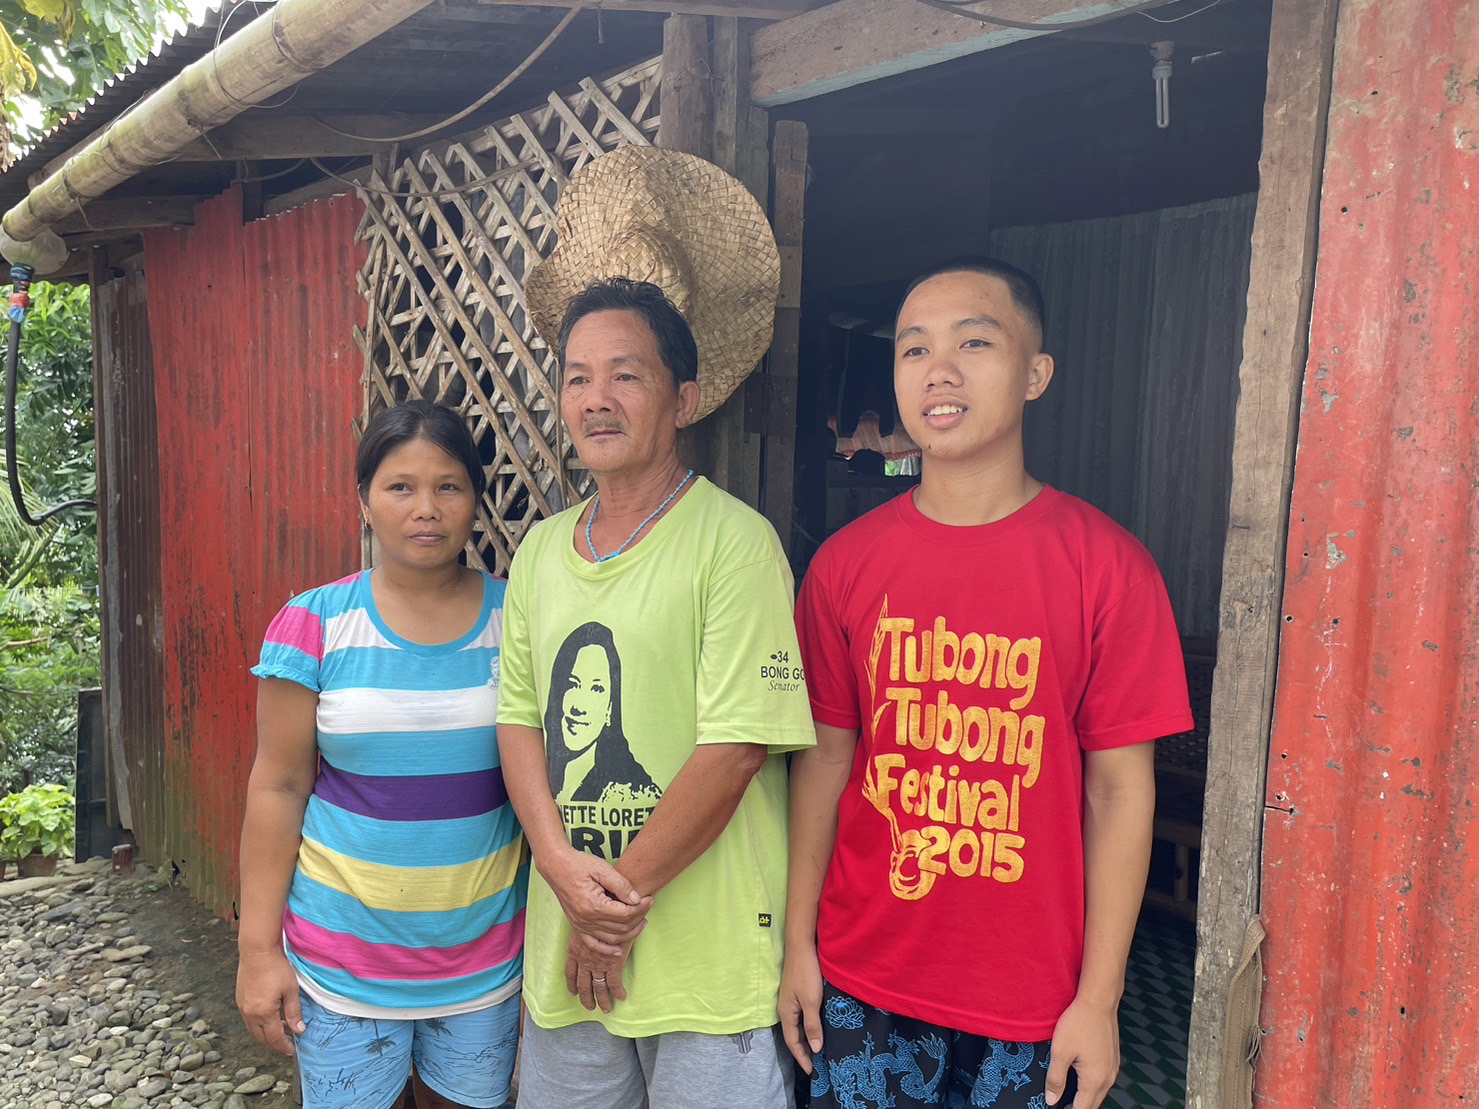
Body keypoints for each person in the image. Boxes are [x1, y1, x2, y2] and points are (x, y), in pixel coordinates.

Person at [783, 258, 1193, 1109]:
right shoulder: (843, 566)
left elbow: (1121, 791)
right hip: (862, 980)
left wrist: (1099, 998)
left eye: (974, 341)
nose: (938, 369)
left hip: (1032, 1002)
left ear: (1035, 372)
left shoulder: (1107, 568)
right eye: (913, 349)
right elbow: (824, 761)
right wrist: (797, 948)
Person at [499, 237, 816, 1109]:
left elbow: (736, 749)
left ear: (685, 398)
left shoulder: (734, 544)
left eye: (626, 375)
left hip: (705, 966)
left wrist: (610, 913)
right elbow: (518, 720)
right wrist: (561, 870)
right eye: (576, 376)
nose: (595, 399)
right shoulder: (538, 555)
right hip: (568, 954)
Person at [236, 401, 525, 1109]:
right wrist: (256, 951)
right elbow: (276, 787)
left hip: (481, 960)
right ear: (364, 500)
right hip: (341, 963)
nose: (425, 508)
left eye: (447, 486)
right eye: (400, 486)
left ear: (475, 499)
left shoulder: (517, 618)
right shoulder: (313, 623)